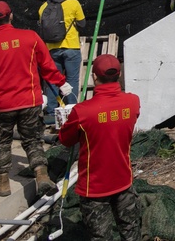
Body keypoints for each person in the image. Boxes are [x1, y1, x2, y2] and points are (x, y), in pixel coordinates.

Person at [0, 1, 69, 197]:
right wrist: (61, 83)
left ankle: (2, 184)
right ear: (11, 16)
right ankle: (42, 176)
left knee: (1, 142)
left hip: (2, 105)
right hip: (30, 101)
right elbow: (47, 65)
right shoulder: (30, 38)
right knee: (32, 140)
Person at [59, 55, 141, 241]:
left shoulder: (82, 111)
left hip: (94, 187)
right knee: (131, 231)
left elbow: (65, 139)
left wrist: (71, 121)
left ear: (94, 77)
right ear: (119, 75)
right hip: (123, 180)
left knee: (100, 236)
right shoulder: (133, 102)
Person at [39, 0, 86, 120]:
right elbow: (82, 24)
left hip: (52, 48)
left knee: (53, 80)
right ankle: (71, 112)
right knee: (72, 80)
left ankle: (52, 113)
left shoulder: (44, 6)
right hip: (71, 47)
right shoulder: (73, 3)